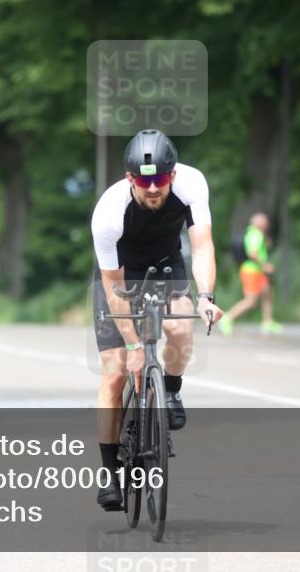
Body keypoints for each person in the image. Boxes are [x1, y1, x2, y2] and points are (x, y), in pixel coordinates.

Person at [91, 129, 223, 511]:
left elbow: (202, 245)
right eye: (144, 181)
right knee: (115, 372)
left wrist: (206, 296)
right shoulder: (109, 212)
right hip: (120, 274)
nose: (153, 188)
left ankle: (171, 390)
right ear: (130, 178)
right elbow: (113, 287)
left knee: (181, 325)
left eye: (161, 179)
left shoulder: (192, 184)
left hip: (166, 263)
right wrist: (133, 344)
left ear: (173, 175)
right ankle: (109, 473)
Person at [217, 213, 283, 336]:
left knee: (267, 293)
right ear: (260, 223)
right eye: (265, 222)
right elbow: (252, 254)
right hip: (251, 271)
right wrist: (265, 266)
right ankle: (227, 318)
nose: (267, 225)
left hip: (258, 271)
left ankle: (267, 322)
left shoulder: (257, 234)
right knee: (250, 301)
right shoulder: (255, 234)